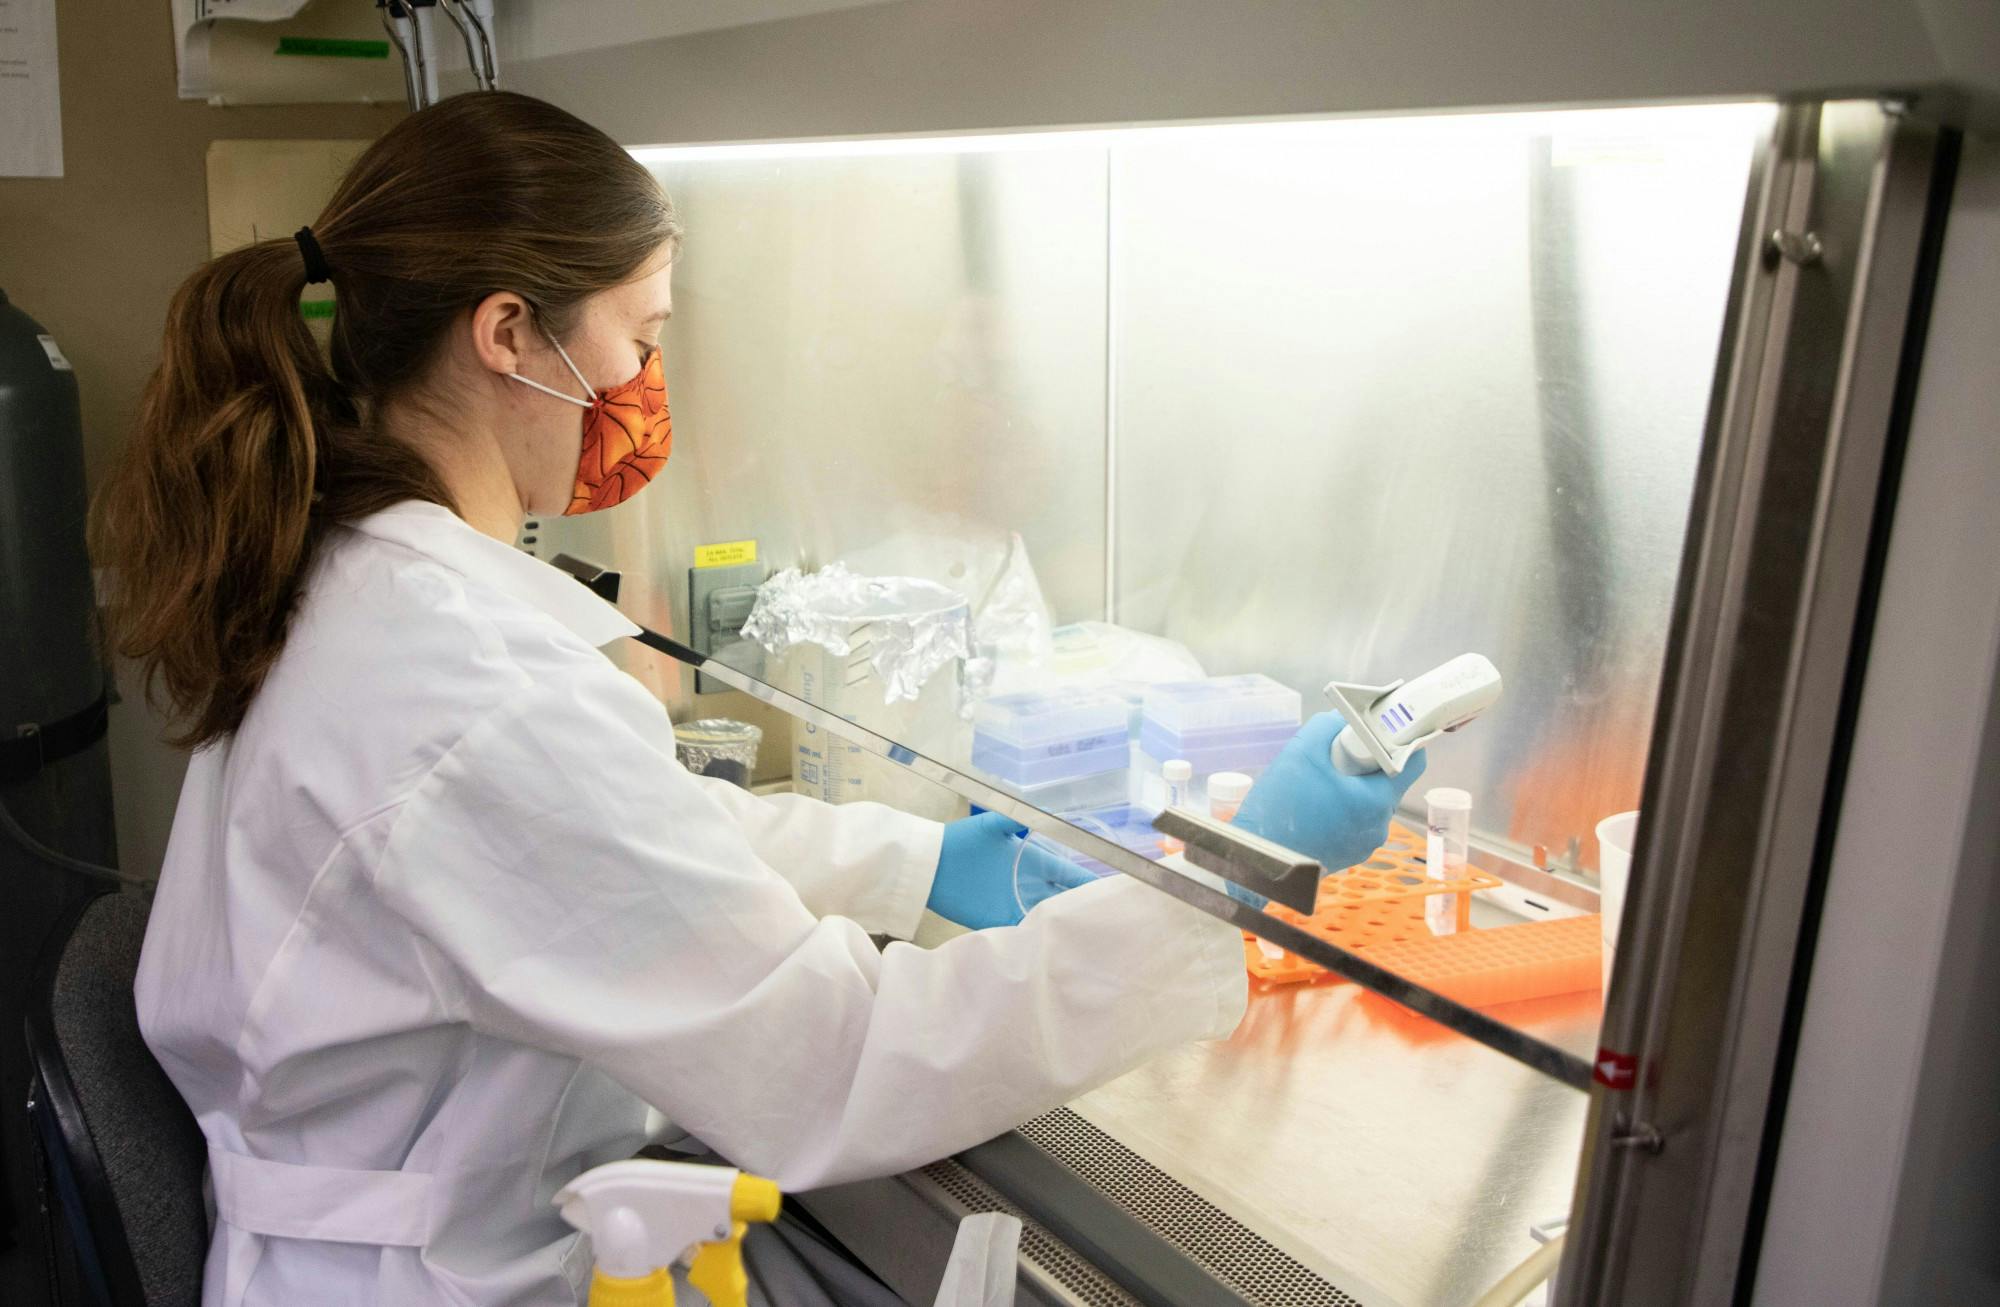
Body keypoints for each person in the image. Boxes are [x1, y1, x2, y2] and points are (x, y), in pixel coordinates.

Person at [92, 92, 1424, 1306]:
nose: (643, 388)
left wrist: (919, 863)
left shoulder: (368, 585)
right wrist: (1234, 886)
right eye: (639, 335)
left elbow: (610, 838)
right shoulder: (463, 678)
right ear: (508, 332)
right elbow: (834, 1065)